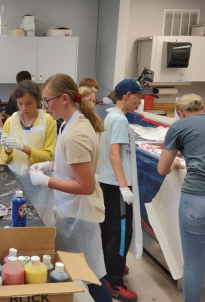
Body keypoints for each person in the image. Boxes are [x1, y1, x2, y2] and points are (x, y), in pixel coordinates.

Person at [30, 73, 112, 301]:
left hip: (79, 215)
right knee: (84, 273)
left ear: (64, 98)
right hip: (72, 209)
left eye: (47, 101)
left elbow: (84, 185)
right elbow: (73, 165)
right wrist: (51, 165)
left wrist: (46, 180)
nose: (45, 107)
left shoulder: (75, 134)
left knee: (91, 275)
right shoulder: (73, 123)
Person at [98, 79, 148, 302]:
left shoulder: (112, 116)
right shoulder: (118, 119)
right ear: (128, 95)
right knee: (120, 233)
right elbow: (114, 154)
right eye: (139, 96)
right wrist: (124, 186)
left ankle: (110, 267)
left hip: (109, 183)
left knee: (110, 230)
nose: (141, 101)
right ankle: (114, 281)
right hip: (116, 186)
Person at [158, 94, 205, 302]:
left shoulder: (179, 127)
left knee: (194, 262)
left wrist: (176, 163)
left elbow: (162, 169)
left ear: (180, 113)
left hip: (196, 196)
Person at [0, 80, 57, 225]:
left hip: (38, 185)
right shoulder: (11, 122)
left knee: (37, 225)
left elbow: (49, 157)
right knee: (15, 222)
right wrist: (7, 151)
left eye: (29, 103)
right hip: (14, 183)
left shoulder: (48, 121)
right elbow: (5, 160)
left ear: (38, 101)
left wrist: (24, 148)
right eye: (20, 103)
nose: (24, 107)